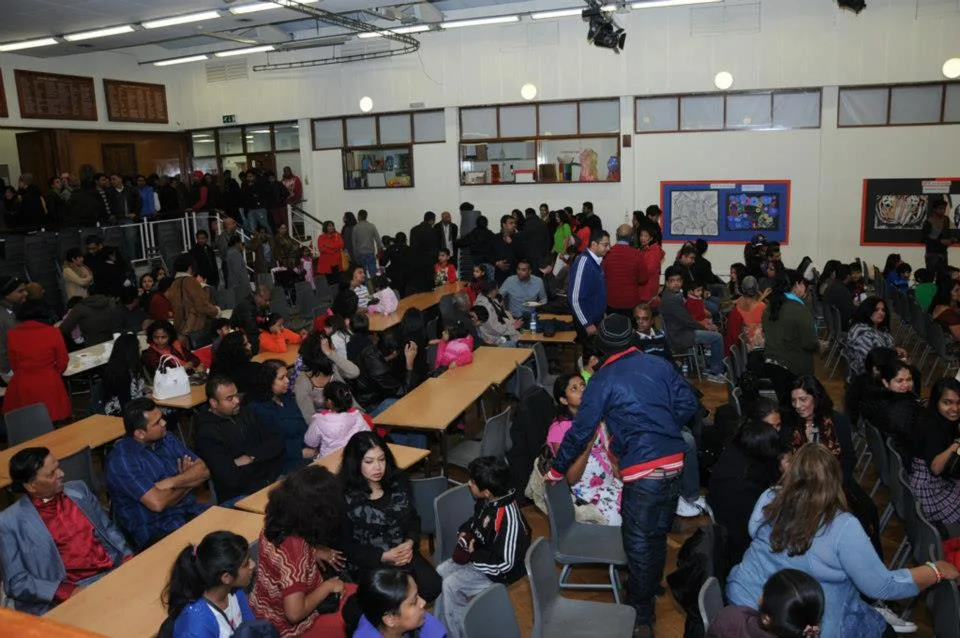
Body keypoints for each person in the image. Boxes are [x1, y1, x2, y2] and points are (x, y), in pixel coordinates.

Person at [546, 314, 698, 636]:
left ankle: (640, 617)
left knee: (638, 542)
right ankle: (651, 585)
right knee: (656, 534)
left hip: (643, 470)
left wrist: (556, 469)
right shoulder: (658, 364)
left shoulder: (602, 379)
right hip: (673, 463)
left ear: (601, 348)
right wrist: (665, 426)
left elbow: (580, 432)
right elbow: (688, 403)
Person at [726, 444, 958, 638]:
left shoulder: (770, 497)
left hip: (742, 604)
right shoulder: (842, 527)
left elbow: (753, 530)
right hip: (795, 625)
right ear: (835, 482)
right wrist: (935, 570)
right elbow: (881, 586)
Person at [0, 447, 133, 615]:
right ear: (31, 486)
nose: (61, 473)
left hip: (110, 572)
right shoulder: (9, 522)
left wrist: (127, 557)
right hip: (68, 593)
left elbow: (108, 530)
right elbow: (17, 582)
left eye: (58, 467)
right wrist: (65, 591)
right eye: (51, 473)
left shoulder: (78, 490)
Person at [250, 465, 357, 637]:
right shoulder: (295, 549)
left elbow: (281, 559)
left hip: (264, 608)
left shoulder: (277, 517)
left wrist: (313, 551)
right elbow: (294, 614)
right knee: (361, 611)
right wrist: (327, 587)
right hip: (291, 628)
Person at [338, 433, 442, 602]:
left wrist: (410, 543)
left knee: (433, 587)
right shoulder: (344, 497)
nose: (377, 468)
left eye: (381, 459)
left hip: (403, 552)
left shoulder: (397, 481)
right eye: (369, 462)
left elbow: (413, 519)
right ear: (356, 463)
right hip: (371, 562)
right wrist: (383, 556)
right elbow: (345, 547)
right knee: (397, 601)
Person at [435, 456, 530, 638]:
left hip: (499, 573)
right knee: (440, 573)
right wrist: (464, 531)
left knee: (450, 585)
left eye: (472, 481)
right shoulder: (488, 500)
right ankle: (441, 629)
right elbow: (476, 522)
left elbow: (506, 564)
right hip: (481, 555)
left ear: (486, 491)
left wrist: (473, 557)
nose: (468, 484)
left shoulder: (508, 519)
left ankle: (459, 634)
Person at [106, 398, 210, 550]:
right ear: (140, 433)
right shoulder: (122, 461)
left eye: (161, 418)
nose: (164, 423)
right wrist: (188, 482)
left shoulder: (166, 439)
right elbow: (158, 504)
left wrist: (171, 482)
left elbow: (204, 470)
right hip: (158, 532)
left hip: (189, 511)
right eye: (157, 422)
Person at [707, 401, 786, 565]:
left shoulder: (743, 448)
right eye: (771, 427)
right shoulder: (742, 477)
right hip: (744, 544)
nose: (777, 432)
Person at [195, 375, 285, 504]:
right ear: (214, 403)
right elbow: (230, 478)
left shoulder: (247, 412)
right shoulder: (207, 434)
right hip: (239, 496)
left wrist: (252, 457)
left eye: (236, 395)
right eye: (229, 398)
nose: (237, 401)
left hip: (271, 480)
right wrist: (263, 459)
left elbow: (278, 442)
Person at [546, 373, 622, 525]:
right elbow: (571, 478)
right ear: (563, 400)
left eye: (582, 385)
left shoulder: (596, 418)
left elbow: (608, 454)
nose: (582, 390)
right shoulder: (559, 429)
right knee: (616, 522)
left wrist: (619, 477)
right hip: (585, 492)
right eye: (574, 388)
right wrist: (588, 445)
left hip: (609, 484)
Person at [161, 531, 256, 637]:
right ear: (226, 578)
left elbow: (251, 628)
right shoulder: (196, 627)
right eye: (246, 563)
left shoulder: (235, 590)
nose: (253, 564)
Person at [3, 300, 70, 422]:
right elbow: (63, 361)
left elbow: (14, 363)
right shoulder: (53, 332)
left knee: (28, 422)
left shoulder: (12, 334)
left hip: (23, 382)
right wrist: (53, 373)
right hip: (49, 380)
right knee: (53, 420)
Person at [707, 569, 824, 638]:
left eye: (764, 594)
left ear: (766, 619)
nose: (759, 598)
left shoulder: (730, 620)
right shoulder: (811, 632)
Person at [907, 378, 960, 526]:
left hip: (925, 480)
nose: (955, 409)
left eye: (958, 402)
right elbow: (936, 468)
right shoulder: (932, 428)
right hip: (929, 490)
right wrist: (956, 444)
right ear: (936, 402)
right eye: (947, 402)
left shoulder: (932, 416)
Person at [660, 266, 726, 382]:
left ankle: (709, 366)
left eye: (678, 280)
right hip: (680, 336)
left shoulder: (670, 294)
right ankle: (716, 372)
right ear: (666, 282)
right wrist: (705, 328)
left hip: (680, 331)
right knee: (717, 337)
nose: (676, 284)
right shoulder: (671, 299)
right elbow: (688, 321)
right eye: (672, 281)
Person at [762, 270, 819, 406]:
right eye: (803, 284)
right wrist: (819, 345)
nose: (805, 288)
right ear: (797, 285)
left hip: (771, 364)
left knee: (785, 406)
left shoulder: (770, 307)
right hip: (793, 368)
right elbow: (809, 343)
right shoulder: (799, 309)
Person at [248, 360, 312, 474]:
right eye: (281, 378)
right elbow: (270, 445)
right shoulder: (258, 410)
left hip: (307, 445)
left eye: (286, 376)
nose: (287, 381)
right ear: (268, 382)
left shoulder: (286, 397)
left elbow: (301, 424)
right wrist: (299, 452)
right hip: (286, 461)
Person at [351, 568, 446, 638]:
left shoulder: (421, 620)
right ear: (390, 619)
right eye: (414, 602)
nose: (423, 602)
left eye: (418, 594)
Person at [858, 359, 922, 459]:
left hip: (890, 456)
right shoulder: (901, 408)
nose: (905, 385)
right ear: (886, 382)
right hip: (906, 456)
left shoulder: (875, 398)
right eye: (899, 381)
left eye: (909, 379)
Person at [304, 381, 370, 458]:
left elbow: (310, 442)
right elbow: (367, 433)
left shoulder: (319, 420)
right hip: (353, 457)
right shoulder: (357, 415)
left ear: (329, 401)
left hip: (329, 460)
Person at [167, 254, 220, 349]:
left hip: (180, 329)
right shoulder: (191, 281)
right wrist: (217, 311)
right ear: (191, 266)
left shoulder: (173, 284)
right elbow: (202, 305)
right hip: (195, 328)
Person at [567, 228, 610, 337]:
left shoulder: (597, 262)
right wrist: (587, 323)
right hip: (587, 322)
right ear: (594, 244)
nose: (608, 248)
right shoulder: (584, 263)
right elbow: (574, 298)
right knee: (590, 353)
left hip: (596, 319)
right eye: (605, 245)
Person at [845, 297, 897, 378]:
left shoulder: (880, 329)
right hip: (869, 375)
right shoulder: (861, 333)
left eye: (883, 310)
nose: (881, 313)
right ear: (867, 311)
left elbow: (885, 349)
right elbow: (870, 359)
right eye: (876, 310)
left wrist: (895, 351)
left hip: (883, 368)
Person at [101, 333, 149, 417]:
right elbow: (126, 405)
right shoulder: (122, 375)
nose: (141, 350)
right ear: (132, 352)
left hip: (132, 406)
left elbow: (138, 387)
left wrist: (147, 392)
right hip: (122, 414)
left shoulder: (128, 367)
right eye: (139, 348)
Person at [602, 224, 645, 316]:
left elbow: (602, 276)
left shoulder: (607, 253)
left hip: (611, 300)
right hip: (630, 301)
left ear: (617, 236)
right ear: (632, 237)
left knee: (612, 328)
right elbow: (643, 279)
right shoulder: (637, 255)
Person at [58, 293, 123, 347]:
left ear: (88, 294)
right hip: (113, 342)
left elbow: (64, 329)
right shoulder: (112, 303)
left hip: (91, 346)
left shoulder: (80, 308)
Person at [725, 275, 766, 356]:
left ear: (742, 289)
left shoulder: (736, 307)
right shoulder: (762, 306)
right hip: (760, 349)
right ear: (757, 289)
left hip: (741, 352)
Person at [473, 281, 522, 347]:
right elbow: (493, 328)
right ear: (493, 291)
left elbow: (502, 313)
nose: (498, 291)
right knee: (522, 341)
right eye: (497, 289)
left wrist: (512, 322)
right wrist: (512, 327)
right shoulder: (485, 306)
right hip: (495, 337)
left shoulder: (491, 299)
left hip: (503, 329)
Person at [232, 284, 271, 355]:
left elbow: (263, 321)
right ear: (259, 296)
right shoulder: (246, 306)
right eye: (266, 300)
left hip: (248, 333)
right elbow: (251, 328)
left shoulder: (259, 305)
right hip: (241, 336)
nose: (268, 303)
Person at [821, 263, 856, 330]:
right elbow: (852, 312)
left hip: (833, 324)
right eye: (851, 274)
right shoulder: (843, 290)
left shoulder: (832, 286)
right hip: (844, 326)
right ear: (848, 276)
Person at [922, 199, 953, 273]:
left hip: (943, 253)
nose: (943, 210)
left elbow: (946, 234)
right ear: (934, 209)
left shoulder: (946, 220)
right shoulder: (928, 222)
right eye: (940, 208)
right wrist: (940, 241)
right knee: (931, 276)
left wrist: (950, 239)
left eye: (944, 208)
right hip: (932, 254)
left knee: (943, 276)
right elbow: (923, 239)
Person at [353, 209, 383, 278]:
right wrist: (379, 251)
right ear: (366, 216)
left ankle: (367, 288)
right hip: (370, 253)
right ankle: (375, 287)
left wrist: (355, 256)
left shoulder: (355, 228)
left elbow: (354, 244)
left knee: (362, 275)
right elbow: (378, 240)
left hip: (360, 254)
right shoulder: (372, 226)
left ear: (359, 216)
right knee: (373, 273)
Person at [317, 220, 346, 286]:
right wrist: (334, 249)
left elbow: (341, 245)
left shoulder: (337, 235)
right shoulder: (321, 237)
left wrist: (330, 247)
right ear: (325, 227)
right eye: (329, 226)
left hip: (337, 263)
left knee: (338, 282)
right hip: (327, 263)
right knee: (329, 283)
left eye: (332, 225)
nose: (331, 227)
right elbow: (322, 249)